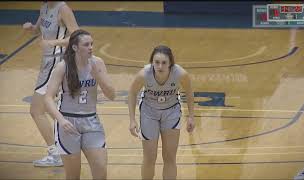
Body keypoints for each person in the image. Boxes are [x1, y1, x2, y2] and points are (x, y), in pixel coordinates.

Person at [44, 29, 115, 179]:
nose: (91, 47)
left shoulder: (98, 63)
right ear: (75, 47)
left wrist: (99, 77)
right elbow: (48, 98)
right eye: (86, 44)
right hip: (68, 122)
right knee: (73, 175)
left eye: (92, 44)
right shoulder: (63, 67)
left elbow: (112, 95)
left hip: (91, 121)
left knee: (101, 169)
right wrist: (61, 120)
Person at [22, 1, 79, 166]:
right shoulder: (44, 7)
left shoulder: (63, 9)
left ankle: (56, 154)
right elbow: (38, 30)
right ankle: (67, 146)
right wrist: (31, 28)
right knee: (52, 108)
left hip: (57, 62)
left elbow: (78, 36)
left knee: (36, 110)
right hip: (47, 62)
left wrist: (53, 44)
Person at [128, 45, 195, 180]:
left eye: (164, 62)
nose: (160, 66)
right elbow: (132, 92)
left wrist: (191, 117)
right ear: (152, 62)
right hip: (149, 112)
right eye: (156, 62)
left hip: (171, 112)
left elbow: (189, 92)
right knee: (149, 157)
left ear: (170, 63)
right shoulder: (143, 74)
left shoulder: (180, 74)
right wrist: (132, 120)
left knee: (170, 157)